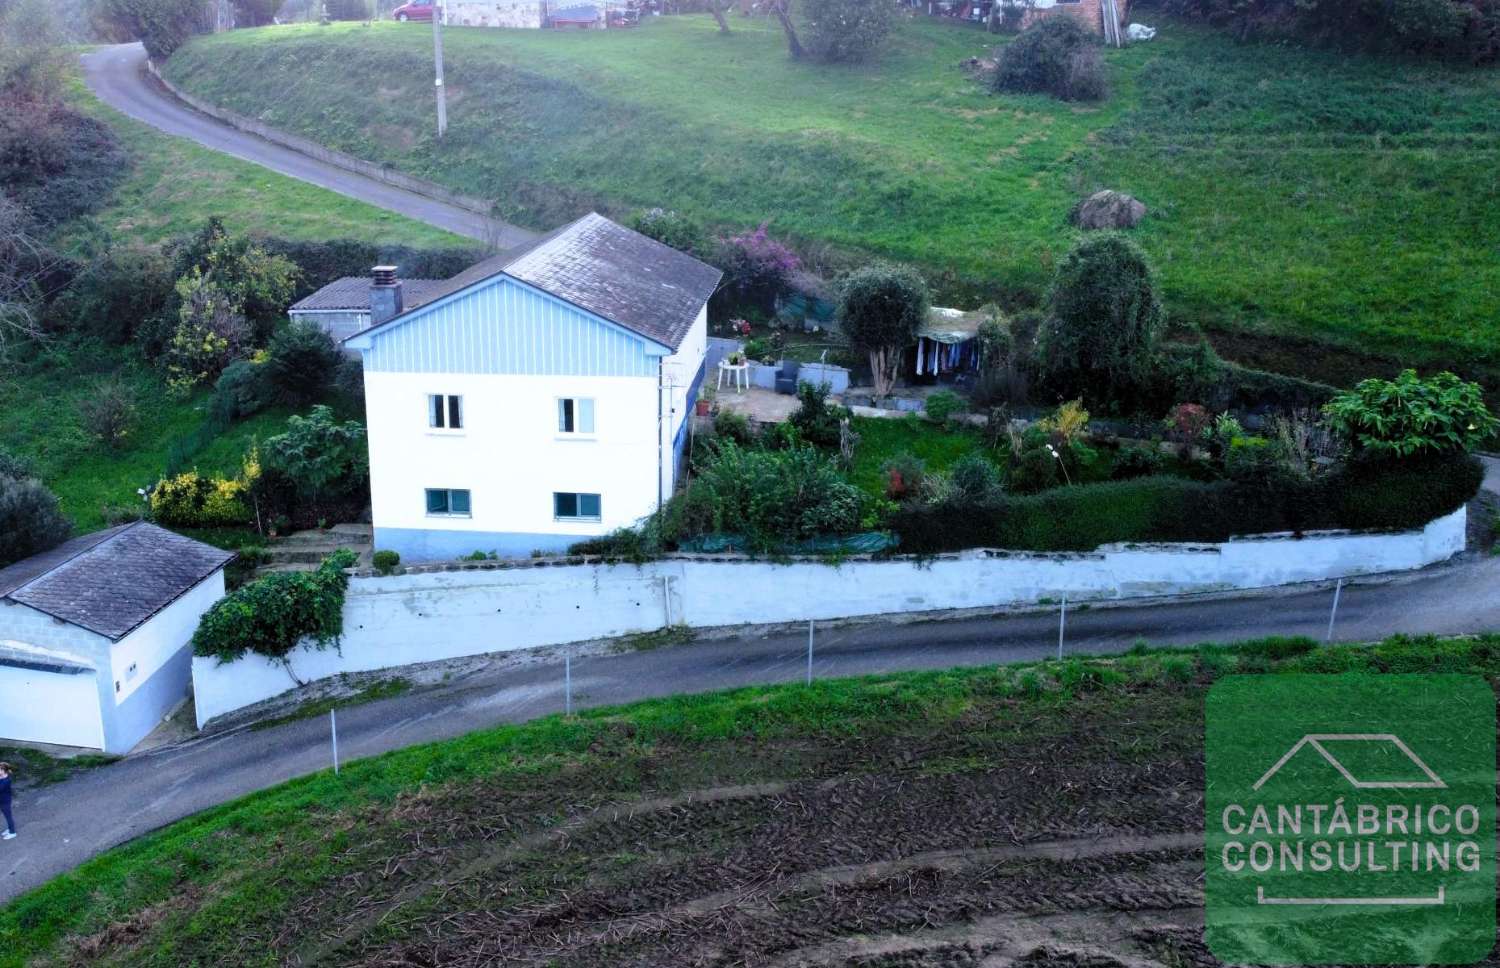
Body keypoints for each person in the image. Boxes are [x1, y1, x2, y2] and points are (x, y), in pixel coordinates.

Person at [0, 761, 14, 840]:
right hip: (1, 800)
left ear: (3, 771)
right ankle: (9, 829)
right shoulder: (2, 777)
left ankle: (12, 832)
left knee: (8, 817)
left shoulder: (6, 780)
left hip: (5, 801)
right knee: (6, 816)